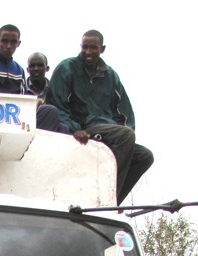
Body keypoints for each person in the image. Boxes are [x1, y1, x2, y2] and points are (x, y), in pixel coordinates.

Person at [46, 29, 154, 205]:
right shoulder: (67, 68)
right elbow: (57, 105)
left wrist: (128, 135)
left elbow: (125, 114)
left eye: (93, 48)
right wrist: (75, 129)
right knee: (124, 135)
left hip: (110, 130)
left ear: (102, 49)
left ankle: (113, 199)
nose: (88, 52)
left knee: (144, 156)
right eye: (85, 47)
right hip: (85, 128)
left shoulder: (111, 75)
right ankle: (106, 198)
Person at [0, 24, 69, 134]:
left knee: (54, 117)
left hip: (16, 119)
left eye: (13, 42)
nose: (8, 46)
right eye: (4, 41)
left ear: (18, 43)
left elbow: (23, 101)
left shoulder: (19, 70)